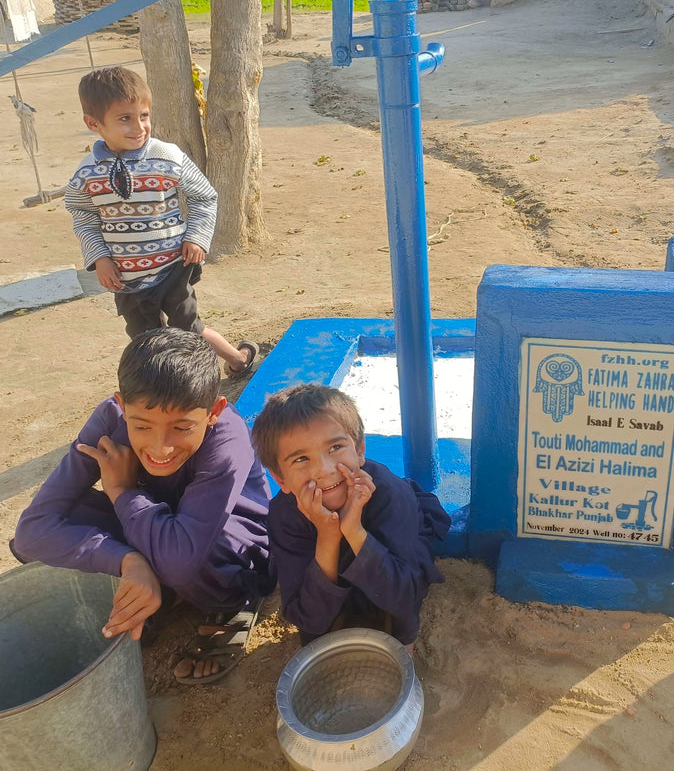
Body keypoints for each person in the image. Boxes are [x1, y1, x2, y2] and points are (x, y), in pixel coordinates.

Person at [12, 328, 276, 683]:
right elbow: (31, 531)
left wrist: (122, 491)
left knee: (194, 553)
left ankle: (231, 603)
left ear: (213, 412)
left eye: (181, 427)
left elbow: (181, 561)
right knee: (58, 526)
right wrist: (127, 561)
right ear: (122, 406)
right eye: (142, 426)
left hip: (220, 545)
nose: (160, 447)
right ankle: (152, 589)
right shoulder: (108, 421)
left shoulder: (227, 439)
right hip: (156, 534)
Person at [65, 66, 258, 378]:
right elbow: (83, 216)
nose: (139, 126)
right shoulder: (86, 173)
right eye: (125, 118)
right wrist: (99, 258)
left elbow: (204, 196)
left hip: (172, 267)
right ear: (93, 124)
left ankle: (237, 358)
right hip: (126, 280)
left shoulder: (168, 157)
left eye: (143, 115)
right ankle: (168, 386)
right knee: (146, 340)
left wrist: (196, 237)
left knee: (189, 332)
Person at [251, 383, 451, 647]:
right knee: (318, 636)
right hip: (332, 570)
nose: (324, 470)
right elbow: (306, 618)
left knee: (395, 614)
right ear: (280, 478)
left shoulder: (390, 494)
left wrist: (354, 531)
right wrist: (328, 535)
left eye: (335, 448)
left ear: (359, 451)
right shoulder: (284, 516)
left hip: (396, 564)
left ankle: (405, 649)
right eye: (301, 459)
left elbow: (405, 594)